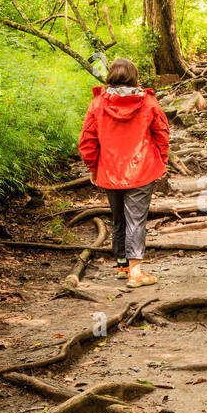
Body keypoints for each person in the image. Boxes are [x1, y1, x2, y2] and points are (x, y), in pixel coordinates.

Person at [78, 57, 170, 287]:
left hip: (110, 171)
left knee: (118, 218)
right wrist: (162, 159)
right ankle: (135, 272)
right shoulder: (148, 103)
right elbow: (162, 133)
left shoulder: (98, 103)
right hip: (141, 170)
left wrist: (93, 167)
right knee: (135, 220)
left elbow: (88, 140)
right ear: (134, 77)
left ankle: (121, 265)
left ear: (111, 76)